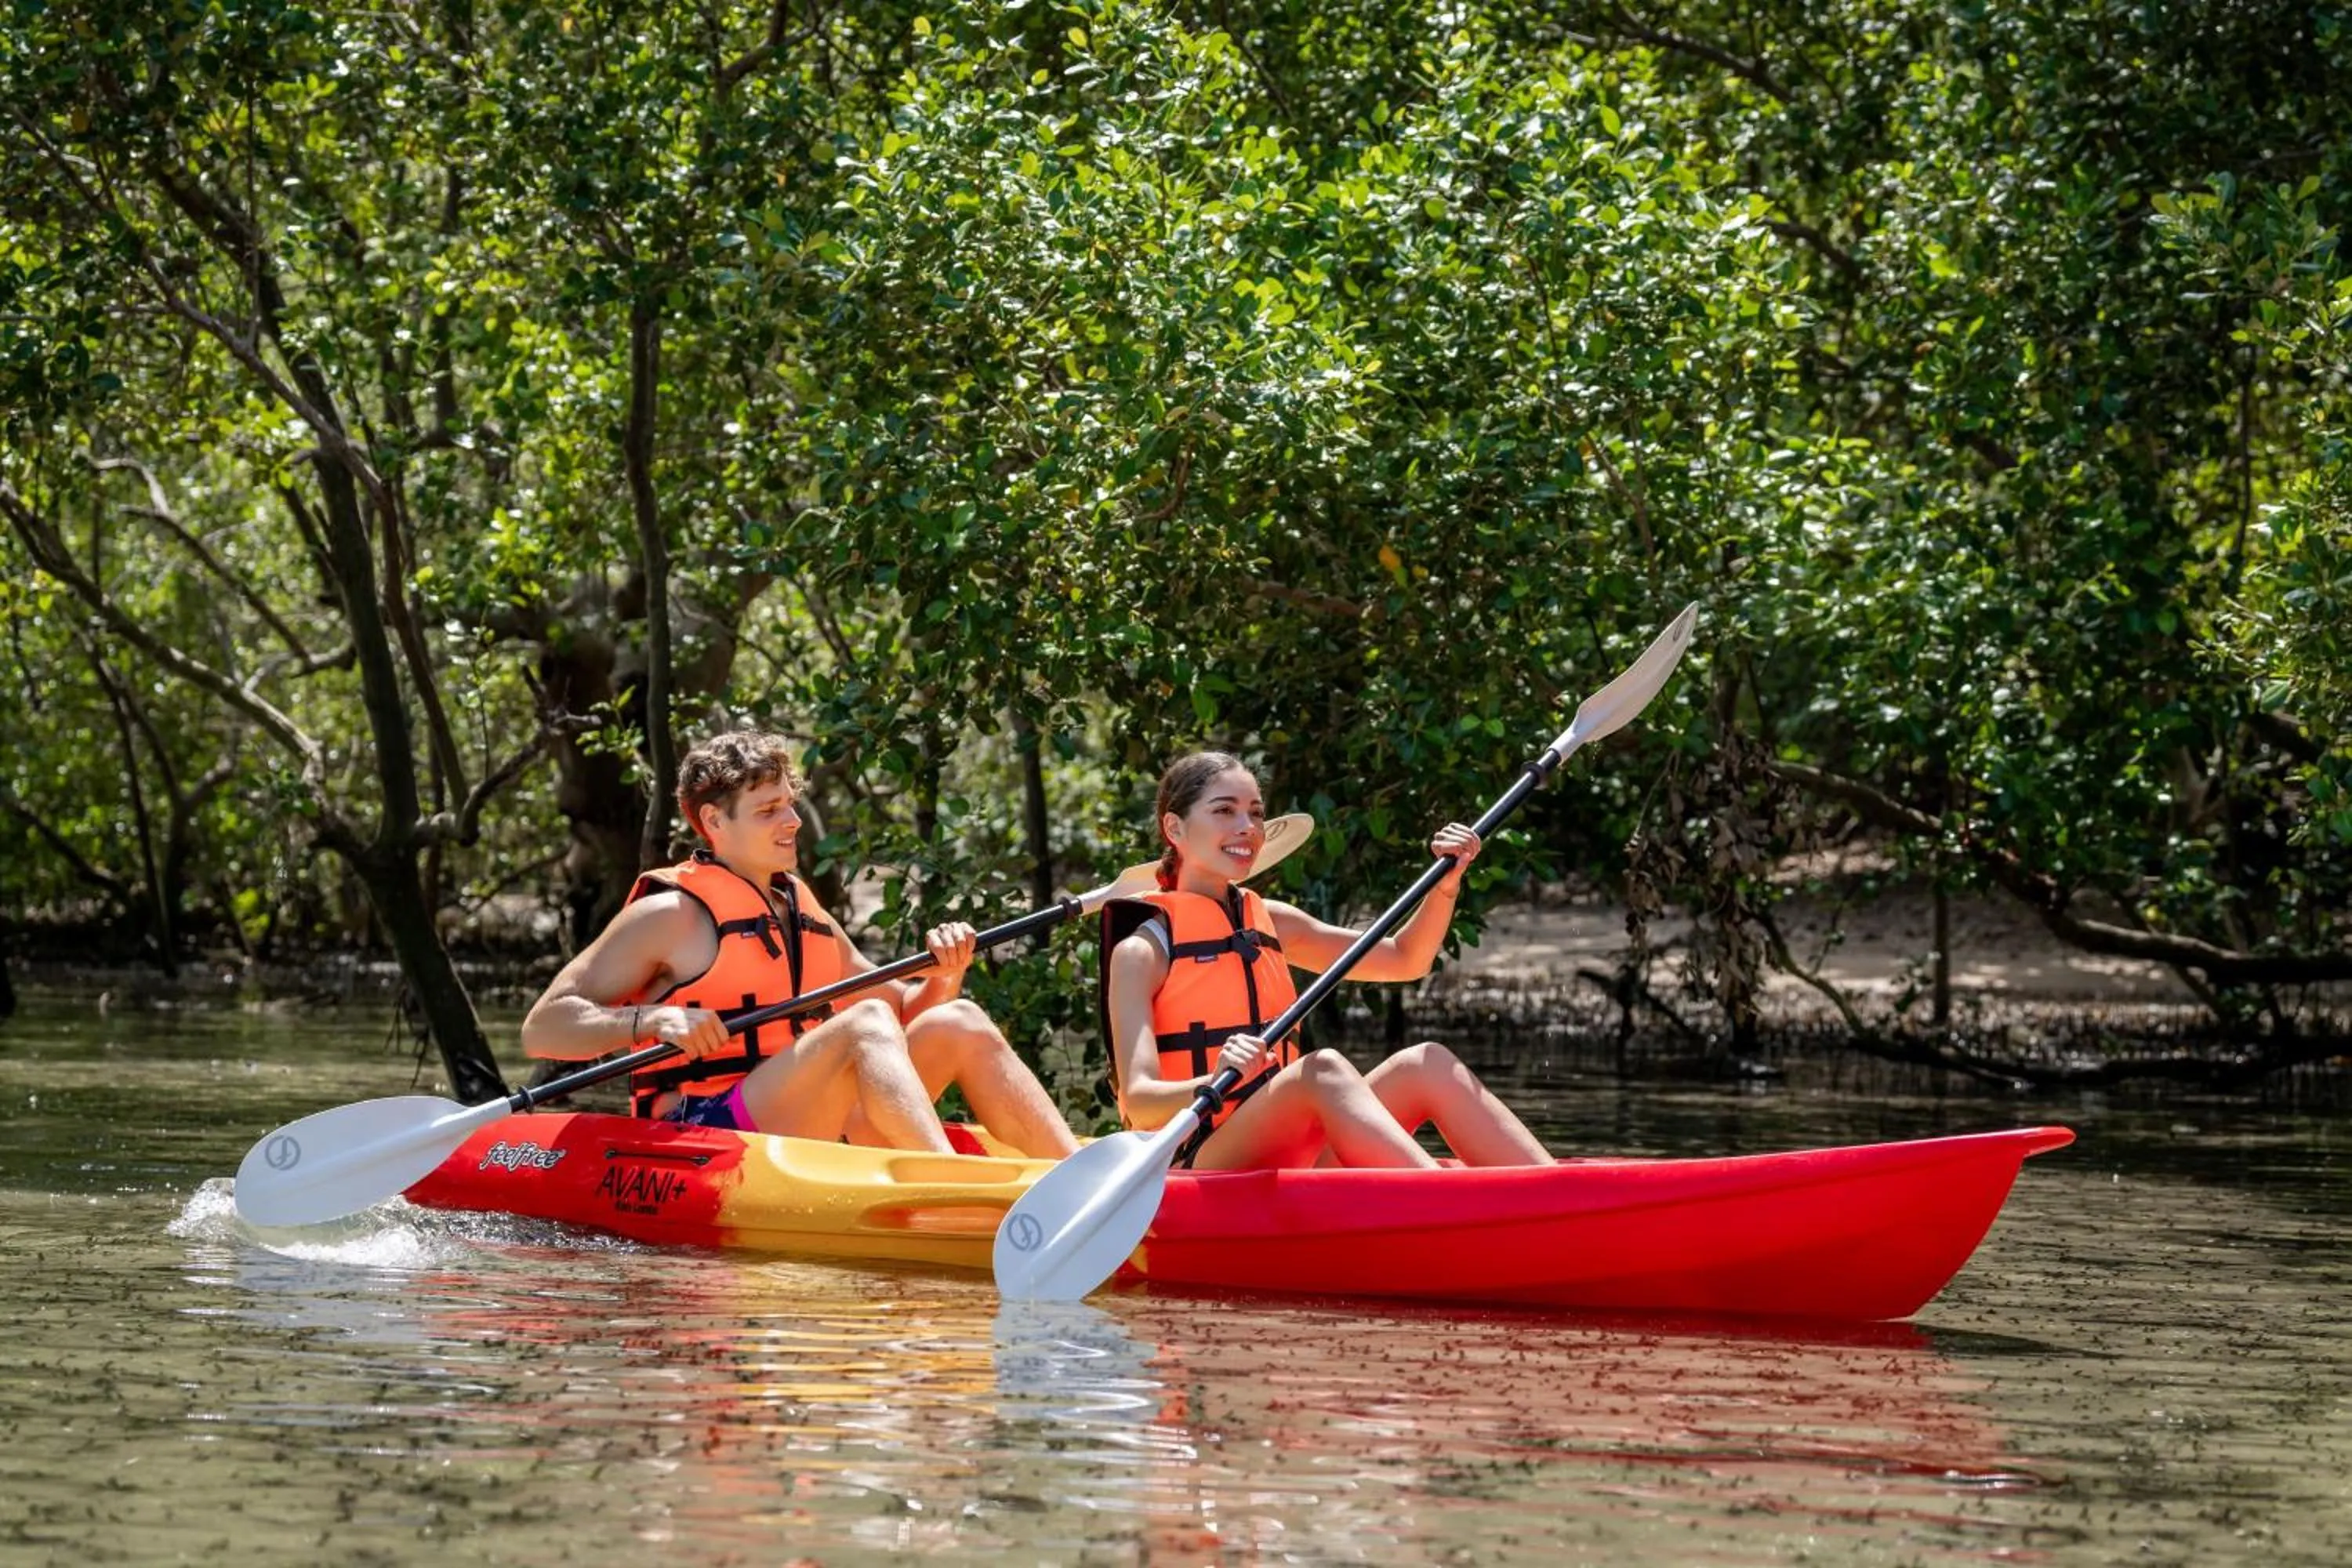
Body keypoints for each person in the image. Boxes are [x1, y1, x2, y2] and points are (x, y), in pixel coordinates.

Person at [522, 730, 1077, 1159]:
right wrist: (648, 1022)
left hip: (801, 1119)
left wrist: (945, 973)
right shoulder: (669, 915)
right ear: (714, 821)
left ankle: (1083, 1175)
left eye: (789, 804)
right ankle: (952, 1191)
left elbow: (905, 1017)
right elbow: (543, 1029)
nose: (792, 821)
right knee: (862, 1024)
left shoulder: (802, 912)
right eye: (769, 811)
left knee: (960, 1020)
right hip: (701, 1128)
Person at [1102, 751, 1551, 1171]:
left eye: (1256, 813)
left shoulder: (1273, 922)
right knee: (1322, 1071)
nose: (1248, 827)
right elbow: (1139, 1102)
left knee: (1425, 1064)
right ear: (1174, 829)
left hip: (1285, 1147)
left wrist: (1446, 887)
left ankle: (1558, 1199)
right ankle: (1457, 1213)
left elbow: (1405, 960)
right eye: (1224, 811)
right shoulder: (1141, 953)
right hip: (1196, 1160)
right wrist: (1214, 1077)